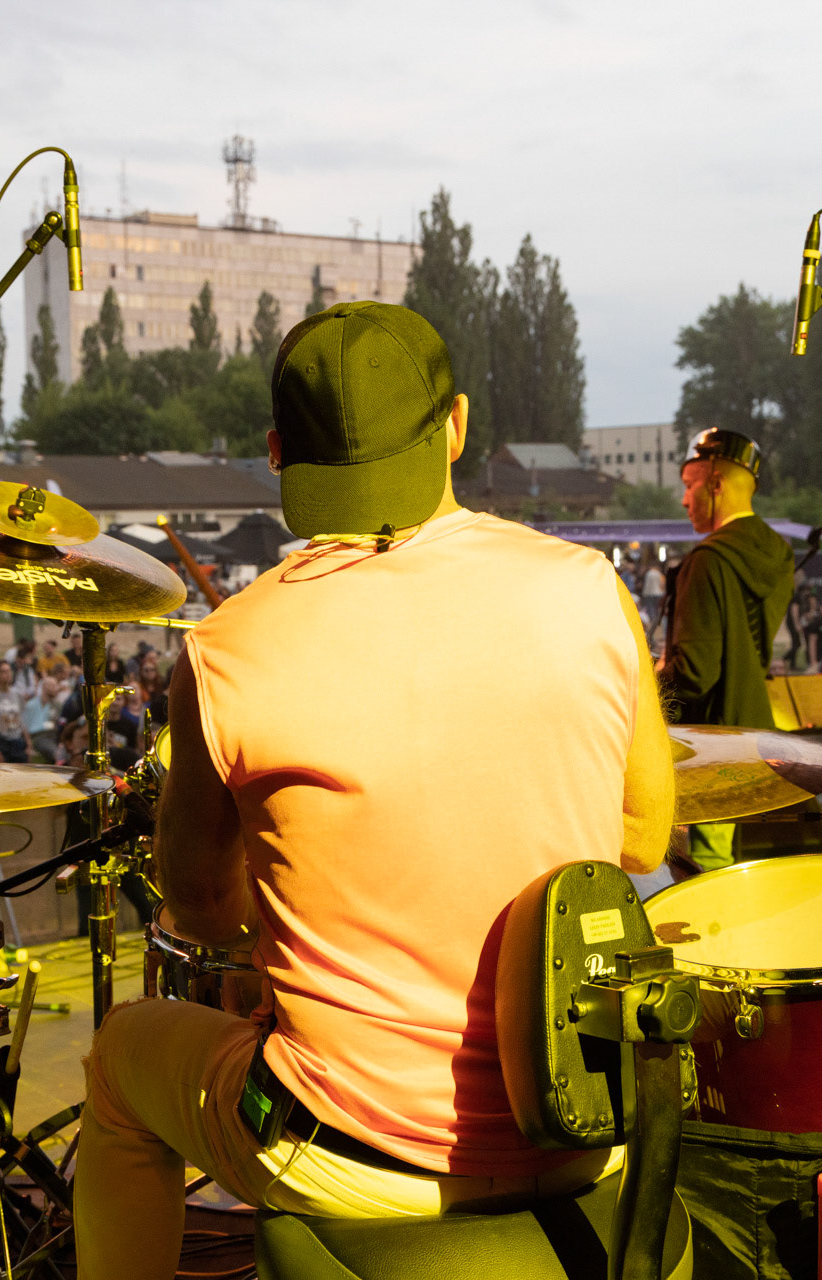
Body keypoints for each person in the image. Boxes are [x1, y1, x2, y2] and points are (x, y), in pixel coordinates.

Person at [73, 301, 673, 1279]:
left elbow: (201, 905)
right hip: (583, 1122)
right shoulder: (589, 586)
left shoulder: (225, 649)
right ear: (458, 426)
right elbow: (644, 833)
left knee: (122, 1053)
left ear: (277, 451)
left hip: (348, 1150)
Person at [658, 428, 794, 872]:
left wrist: (653, 677)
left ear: (715, 484)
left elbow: (696, 672)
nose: (684, 500)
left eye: (688, 485)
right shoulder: (778, 551)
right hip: (756, 736)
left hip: (708, 748)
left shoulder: (706, 562)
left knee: (703, 875)